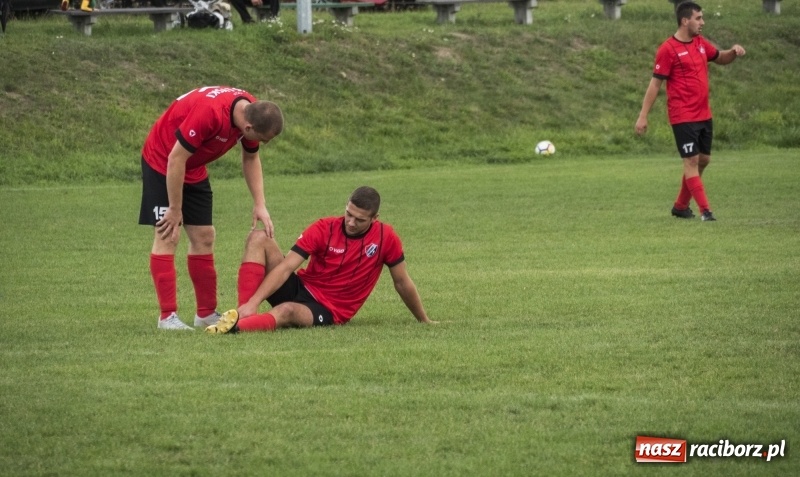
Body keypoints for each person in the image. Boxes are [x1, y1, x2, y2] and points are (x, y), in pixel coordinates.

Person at [139, 86, 284, 330]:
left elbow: (250, 158)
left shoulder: (250, 110)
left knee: (205, 236)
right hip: (163, 161)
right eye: (263, 139)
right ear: (248, 128)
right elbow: (176, 158)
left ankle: (205, 313)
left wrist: (260, 204)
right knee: (168, 234)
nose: (263, 144)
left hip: (193, 166)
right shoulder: (211, 114)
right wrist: (175, 209)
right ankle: (167, 317)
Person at [206, 186, 435, 334]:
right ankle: (241, 313)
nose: (351, 222)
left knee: (286, 311)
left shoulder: (387, 237)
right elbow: (286, 267)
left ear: (375, 218)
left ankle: (238, 329)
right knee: (258, 237)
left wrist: (424, 320)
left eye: (360, 219)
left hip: (329, 309)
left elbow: (402, 282)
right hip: (302, 287)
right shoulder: (324, 227)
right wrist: (254, 302)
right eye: (349, 214)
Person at [635, 1, 745, 222]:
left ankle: (680, 206)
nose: (702, 22)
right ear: (685, 21)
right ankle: (706, 211)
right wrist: (643, 116)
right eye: (698, 18)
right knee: (691, 161)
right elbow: (655, 84)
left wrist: (733, 52)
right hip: (682, 115)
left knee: (703, 159)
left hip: (704, 114)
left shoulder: (700, 43)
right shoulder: (667, 49)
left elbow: (720, 57)